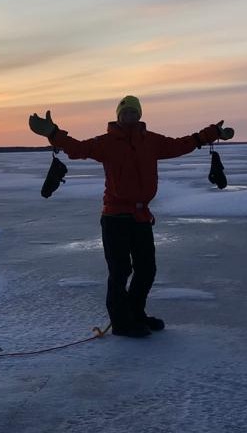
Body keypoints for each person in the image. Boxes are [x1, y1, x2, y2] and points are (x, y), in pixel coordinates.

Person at [29, 95, 233, 337]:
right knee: (120, 271)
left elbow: (182, 144)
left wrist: (210, 133)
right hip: (115, 217)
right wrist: (53, 133)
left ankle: (136, 313)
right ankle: (121, 323)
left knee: (147, 269)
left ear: (140, 115)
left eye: (134, 113)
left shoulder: (151, 141)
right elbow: (78, 149)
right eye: (125, 113)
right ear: (118, 116)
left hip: (141, 217)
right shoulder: (106, 142)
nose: (130, 117)